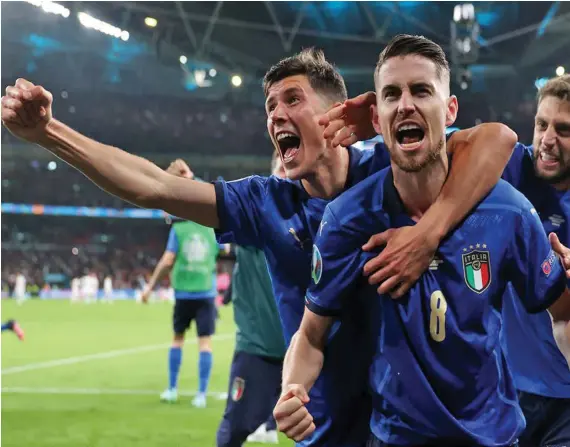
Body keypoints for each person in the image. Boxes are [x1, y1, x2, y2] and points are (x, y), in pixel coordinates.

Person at [1, 49, 516, 445]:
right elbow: (152, 187)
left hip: (412, 419)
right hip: (326, 420)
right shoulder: (266, 202)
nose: (276, 116)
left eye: (293, 100)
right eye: (270, 107)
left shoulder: (394, 166)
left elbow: (495, 141)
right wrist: (49, 133)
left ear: (335, 115)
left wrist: (425, 229)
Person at [275, 34, 570, 446]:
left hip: (492, 436)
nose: (406, 104)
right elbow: (309, 336)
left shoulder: (508, 212)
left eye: (421, 90)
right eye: (392, 94)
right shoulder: (347, 219)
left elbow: (563, 313)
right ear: (377, 120)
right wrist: (293, 387)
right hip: (396, 436)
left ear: (450, 110)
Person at [498, 74, 570, 447]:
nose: (547, 140)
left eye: (564, 129)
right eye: (542, 125)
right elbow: (465, 142)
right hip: (510, 389)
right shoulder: (515, 168)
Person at [216, 153, 286, 447]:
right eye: (280, 167)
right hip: (259, 350)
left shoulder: (320, 217)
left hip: (309, 350)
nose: (286, 174)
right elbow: (215, 203)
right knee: (234, 429)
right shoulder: (253, 216)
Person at [141, 163, 219, 409]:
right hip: (206, 290)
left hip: (184, 292)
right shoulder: (211, 225)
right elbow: (221, 250)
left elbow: (168, 260)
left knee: (178, 339)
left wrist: (150, 287)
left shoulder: (179, 228)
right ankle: (201, 394)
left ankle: (173, 389)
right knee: (205, 342)